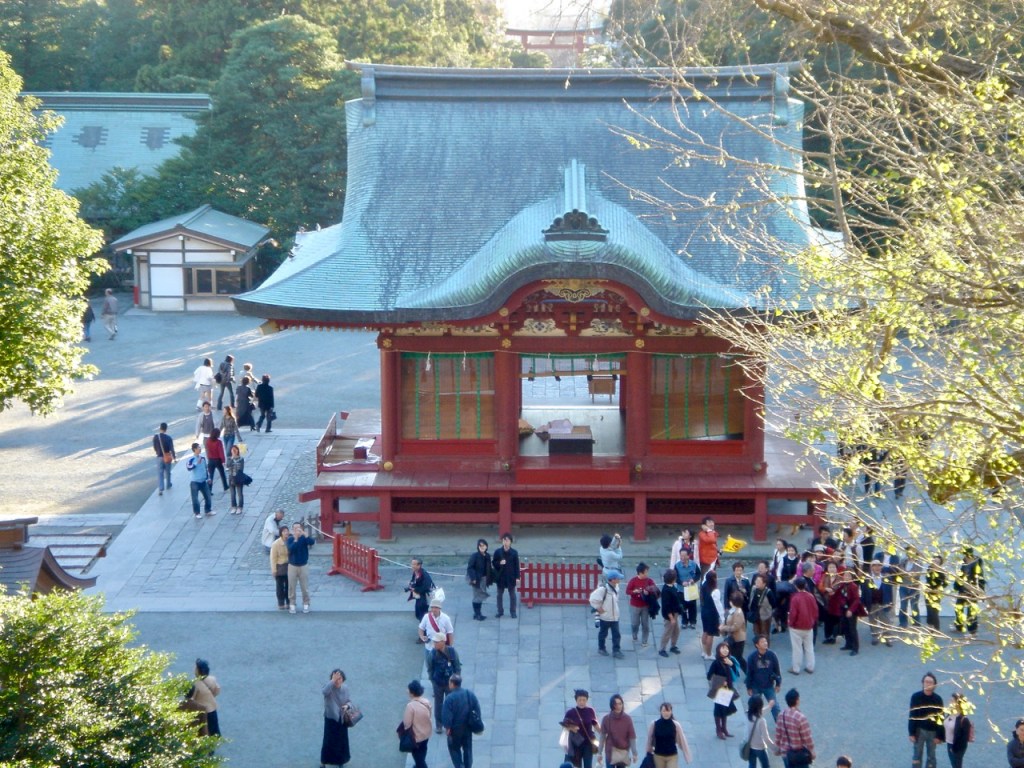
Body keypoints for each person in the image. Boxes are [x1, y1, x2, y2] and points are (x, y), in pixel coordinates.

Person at [441, 674, 481, 768]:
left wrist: (448, 728)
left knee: (454, 749)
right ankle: (468, 765)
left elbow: (447, 716)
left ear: (452, 683)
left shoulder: (449, 699)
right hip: (467, 728)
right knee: (467, 748)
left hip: (455, 730)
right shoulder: (469, 694)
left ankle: (459, 766)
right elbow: (477, 708)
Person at [908, 672, 944, 768]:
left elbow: (941, 718)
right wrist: (911, 733)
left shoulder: (938, 699)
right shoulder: (915, 697)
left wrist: (940, 736)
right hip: (919, 731)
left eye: (930, 682)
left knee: (931, 756)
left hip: (933, 732)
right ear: (922, 683)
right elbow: (912, 715)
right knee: (917, 754)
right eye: (926, 681)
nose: (927, 684)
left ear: (934, 685)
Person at [707, 641, 740, 739]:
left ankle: (724, 728)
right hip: (719, 689)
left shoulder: (729, 660)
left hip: (728, 688)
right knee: (718, 710)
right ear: (718, 650)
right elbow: (709, 675)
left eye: (727, 648)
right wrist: (721, 681)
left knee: (725, 709)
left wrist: (731, 665)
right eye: (723, 648)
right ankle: (719, 730)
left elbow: (736, 674)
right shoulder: (716, 662)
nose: (725, 650)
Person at [745, 635, 782, 722]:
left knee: (775, 706)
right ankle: (754, 723)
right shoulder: (752, 657)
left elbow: (777, 670)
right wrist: (748, 687)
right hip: (755, 686)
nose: (765, 643)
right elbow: (749, 673)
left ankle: (780, 724)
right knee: (755, 706)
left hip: (768, 685)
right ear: (757, 645)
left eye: (766, 641)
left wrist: (778, 683)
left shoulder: (772, 655)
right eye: (762, 642)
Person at [774, 688, 814, 768]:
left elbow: (778, 734)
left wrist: (777, 747)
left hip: (786, 754)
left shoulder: (781, 715)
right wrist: (812, 750)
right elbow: (807, 737)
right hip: (800, 755)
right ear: (797, 700)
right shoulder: (801, 718)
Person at [645, 701, 692, 767]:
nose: (666, 713)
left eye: (668, 711)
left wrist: (687, 756)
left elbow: (682, 740)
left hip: (672, 755)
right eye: (664, 711)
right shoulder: (654, 724)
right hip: (658, 755)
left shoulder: (676, 725)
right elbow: (649, 739)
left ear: (671, 712)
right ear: (661, 712)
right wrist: (648, 752)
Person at [787, 577, 818, 674]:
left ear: (796, 586)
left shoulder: (795, 598)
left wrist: (790, 623)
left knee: (797, 648)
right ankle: (810, 667)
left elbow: (793, 614)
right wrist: (812, 621)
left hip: (796, 627)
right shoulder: (811, 596)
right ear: (805, 585)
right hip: (809, 626)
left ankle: (796, 668)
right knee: (809, 647)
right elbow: (815, 611)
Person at [590, 569, 624, 658]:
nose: (619, 580)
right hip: (605, 617)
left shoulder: (616, 587)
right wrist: (599, 608)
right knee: (603, 633)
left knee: (616, 635)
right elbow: (592, 599)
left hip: (615, 616)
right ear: (612, 579)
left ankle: (616, 650)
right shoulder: (603, 589)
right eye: (618, 578)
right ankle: (601, 648)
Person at [320, 669, 350, 768]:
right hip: (331, 719)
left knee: (341, 742)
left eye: (339, 678)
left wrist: (347, 706)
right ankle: (324, 762)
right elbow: (324, 691)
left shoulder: (345, 688)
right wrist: (332, 681)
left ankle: (340, 761)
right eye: (336, 679)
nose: (337, 681)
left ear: (343, 680)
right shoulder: (329, 688)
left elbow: (349, 701)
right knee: (328, 741)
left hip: (342, 718)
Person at [563, 689, 600, 768]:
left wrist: (604, 734)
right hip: (576, 744)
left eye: (584, 700)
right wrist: (572, 728)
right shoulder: (570, 712)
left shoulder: (590, 711)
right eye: (580, 700)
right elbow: (564, 726)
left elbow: (595, 724)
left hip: (588, 743)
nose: (582, 702)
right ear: (576, 700)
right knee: (576, 766)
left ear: (587, 700)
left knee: (588, 766)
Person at [864, 557, 895, 646]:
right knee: (873, 620)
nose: (877, 567)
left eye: (879, 565)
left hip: (883, 603)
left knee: (886, 621)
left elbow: (890, 591)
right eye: (874, 565)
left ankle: (887, 637)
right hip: (872, 603)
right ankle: (875, 636)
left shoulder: (887, 577)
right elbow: (864, 592)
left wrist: (891, 602)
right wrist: (864, 604)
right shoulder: (867, 578)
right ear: (871, 567)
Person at [953, 546, 985, 636]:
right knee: (958, 608)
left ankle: (972, 632)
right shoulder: (964, 563)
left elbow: (980, 578)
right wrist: (957, 586)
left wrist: (981, 591)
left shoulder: (977, 563)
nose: (965, 557)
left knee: (972, 611)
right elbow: (960, 575)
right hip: (963, 590)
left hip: (973, 590)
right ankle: (959, 626)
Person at [600, 693, 637, 768]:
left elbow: (632, 737)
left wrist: (634, 753)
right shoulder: (606, 719)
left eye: (620, 704)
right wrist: (599, 752)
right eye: (616, 704)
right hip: (610, 751)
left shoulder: (627, 719)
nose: (618, 706)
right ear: (612, 705)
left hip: (623, 751)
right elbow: (602, 736)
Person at [627, 562, 658, 648]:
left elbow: (655, 590)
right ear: (640, 573)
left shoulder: (649, 581)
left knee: (645, 624)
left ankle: (645, 640)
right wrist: (634, 592)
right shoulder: (633, 581)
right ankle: (634, 634)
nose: (647, 574)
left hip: (645, 606)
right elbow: (627, 591)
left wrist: (648, 592)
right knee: (635, 623)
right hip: (635, 605)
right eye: (646, 572)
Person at [187, 658, 221, 737]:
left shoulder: (195, 684)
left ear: (199, 671)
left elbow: (192, 698)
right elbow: (217, 690)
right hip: (212, 708)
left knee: (203, 732)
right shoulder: (212, 679)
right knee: (213, 732)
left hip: (202, 712)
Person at [403, 679, 432, 768]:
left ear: (412, 693)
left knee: (417, 756)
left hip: (417, 736)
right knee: (423, 750)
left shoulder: (410, 706)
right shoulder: (426, 702)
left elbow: (407, 724)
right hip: (426, 733)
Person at [286, 522, 315, 614]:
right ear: (292, 530)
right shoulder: (290, 539)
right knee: (292, 587)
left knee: (304, 586)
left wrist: (306, 535)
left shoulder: (304, 538)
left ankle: (306, 603)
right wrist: (295, 539)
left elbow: (312, 542)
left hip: (303, 565)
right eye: (295, 529)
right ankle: (292, 604)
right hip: (292, 566)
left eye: (299, 529)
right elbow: (291, 549)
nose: (297, 530)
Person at [835, 568, 865, 656]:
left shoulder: (854, 586)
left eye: (849, 576)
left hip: (851, 610)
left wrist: (850, 610)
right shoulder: (842, 585)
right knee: (845, 627)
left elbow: (856, 600)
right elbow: (839, 596)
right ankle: (848, 644)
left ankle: (855, 647)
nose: (847, 577)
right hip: (843, 609)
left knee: (852, 629)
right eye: (845, 575)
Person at [492, 532, 520, 618]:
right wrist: (499, 563)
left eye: (507, 540)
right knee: (499, 595)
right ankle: (500, 611)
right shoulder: (498, 552)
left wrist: (517, 577)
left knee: (512, 595)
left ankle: (513, 611)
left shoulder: (514, 553)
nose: (505, 542)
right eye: (504, 540)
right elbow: (494, 563)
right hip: (501, 576)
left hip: (510, 576)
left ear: (510, 542)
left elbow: (516, 566)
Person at [744, 694, 775, 768]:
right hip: (760, 748)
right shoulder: (761, 721)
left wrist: (769, 706)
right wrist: (775, 749)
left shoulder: (747, 714)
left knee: (752, 765)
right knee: (766, 766)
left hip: (749, 746)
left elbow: (759, 713)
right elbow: (766, 739)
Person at [943, 692, 972, 768]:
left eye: (952, 701)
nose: (950, 703)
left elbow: (964, 739)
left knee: (957, 765)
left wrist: (955, 748)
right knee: (954, 765)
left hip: (957, 747)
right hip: (949, 743)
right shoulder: (950, 714)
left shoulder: (964, 720)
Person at [700, 570, 724, 660]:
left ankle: (704, 651)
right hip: (712, 613)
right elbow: (718, 605)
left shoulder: (703, 585)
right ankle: (709, 654)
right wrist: (722, 617)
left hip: (704, 611)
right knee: (711, 634)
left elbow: (707, 573)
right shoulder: (715, 591)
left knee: (705, 631)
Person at [722, 590, 748, 671]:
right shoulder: (733, 610)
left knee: (738, 657)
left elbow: (735, 627)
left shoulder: (738, 612)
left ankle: (748, 672)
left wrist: (724, 628)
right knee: (734, 656)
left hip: (738, 639)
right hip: (733, 638)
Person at [185, 443, 213, 519]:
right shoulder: (191, 459)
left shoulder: (203, 458)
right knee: (195, 498)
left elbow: (206, 469)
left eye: (200, 448)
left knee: (208, 496)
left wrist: (208, 478)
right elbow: (189, 467)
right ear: (194, 449)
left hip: (203, 481)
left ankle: (208, 510)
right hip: (195, 482)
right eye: (198, 448)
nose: (200, 449)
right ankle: (197, 512)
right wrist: (196, 463)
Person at [659, 568, 682, 658]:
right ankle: (662, 649)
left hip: (675, 613)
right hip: (670, 615)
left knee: (676, 631)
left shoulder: (672, 586)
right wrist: (671, 618)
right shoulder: (666, 590)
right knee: (667, 632)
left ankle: (673, 645)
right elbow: (667, 606)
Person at [466, 538, 491, 621]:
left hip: (484, 578)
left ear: (486, 546)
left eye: (484, 545)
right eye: (480, 546)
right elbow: (470, 568)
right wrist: (473, 578)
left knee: (480, 596)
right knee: (477, 596)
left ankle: (478, 613)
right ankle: (477, 614)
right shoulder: (475, 556)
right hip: (476, 579)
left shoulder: (487, 556)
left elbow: (489, 568)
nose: (482, 547)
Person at [674, 548, 700, 629]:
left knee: (692, 607)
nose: (682, 557)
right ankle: (684, 621)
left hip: (691, 589)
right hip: (681, 590)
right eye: (681, 555)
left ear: (688, 556)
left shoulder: (693, 565)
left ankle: (693, 622)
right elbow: (675, 577)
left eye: (684, 556)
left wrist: (694, 580)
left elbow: (698, 574)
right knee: (682, 607)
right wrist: (681, 583)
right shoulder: (677, 566)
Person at [747, 573, 776, 640]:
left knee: (764, 633)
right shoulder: (754, 589)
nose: (756, 583)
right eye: (756, 581)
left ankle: (765, 647)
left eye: (759, 582)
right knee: (756, 632)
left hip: (765, 616)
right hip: (755, 614)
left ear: (764, 583)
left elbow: (773, 604)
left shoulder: (768, 592)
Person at [269, 524, 290, 610]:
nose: (286, 533)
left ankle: (289, 602)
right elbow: (273, 558)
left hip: (289, 566)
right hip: (280, 566)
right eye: (284, 531)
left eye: (287, 531)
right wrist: (274, 570)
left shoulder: (290, 541)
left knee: (289, 585)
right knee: (280, 586)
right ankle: (281, 602)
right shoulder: (276, 544)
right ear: (281, 533)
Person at [924, 554, 946, 631]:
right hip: (928, 592)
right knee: (929, 610)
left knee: (935, 611)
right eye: (934, 561)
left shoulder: (941, 572)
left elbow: (945, 583)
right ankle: (929, 627)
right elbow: (927, 579)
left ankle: (937, 629)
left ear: (940, 563)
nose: (935, 563)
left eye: (937, 562)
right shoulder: (929, 569)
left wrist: (940, 589)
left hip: (936, 593)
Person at [153, 422, 176, 496]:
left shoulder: (156, 437)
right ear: (166, 429)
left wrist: (158, 452)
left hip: (159, 457)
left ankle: (161, 488)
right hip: (167, 457)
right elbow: (172, 449)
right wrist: (174, 457)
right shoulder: (168, 438)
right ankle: (168, 484)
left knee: (160, 473)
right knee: (168, 472)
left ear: (160, 428)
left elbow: (154, 447)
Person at [205, 427, 228, 492]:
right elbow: (221, 452)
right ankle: (225, 486)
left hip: (210, 460)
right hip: (218, 460)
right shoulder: (218, 442)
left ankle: (209, 490)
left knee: (211, 476)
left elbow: (207, 450)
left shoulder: (208, 441)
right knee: (222, 473)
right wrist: (223, 461)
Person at [226, 444, 245, 514]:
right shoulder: (229, 458)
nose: (234, 451)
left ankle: (240, 507)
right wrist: (232, 458)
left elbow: (241, 468)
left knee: (240, 493)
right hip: (231, 478)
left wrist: (235, 460)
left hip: (238, 478)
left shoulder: (241, 459)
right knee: (232, 493)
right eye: (232, 450)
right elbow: (228, 466)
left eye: (235, 450)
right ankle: (233, 506)